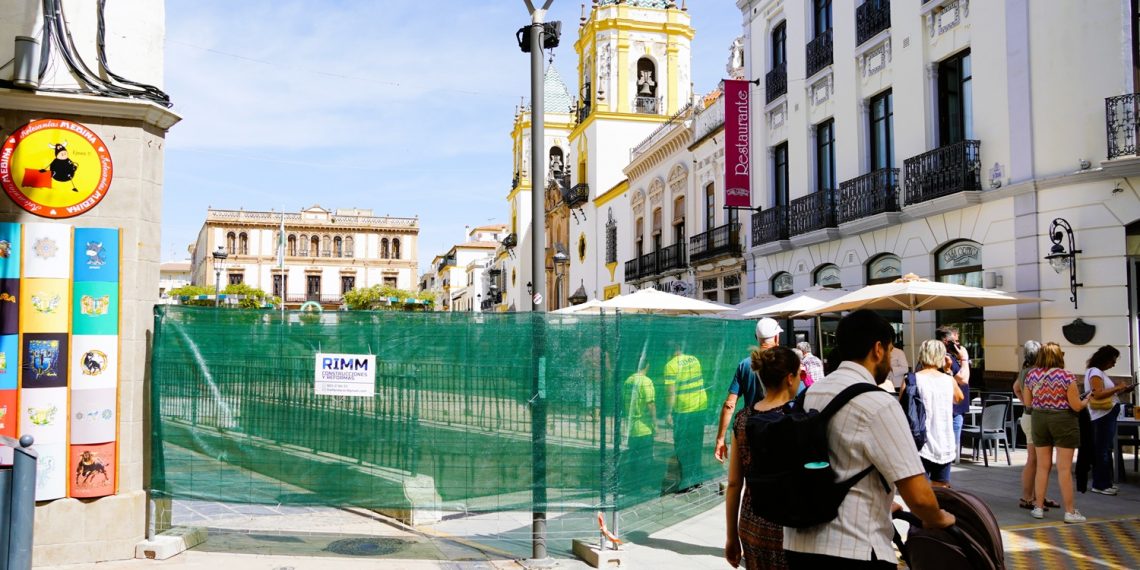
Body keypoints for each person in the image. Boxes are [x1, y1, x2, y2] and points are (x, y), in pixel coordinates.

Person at [783, 310, 954, 568]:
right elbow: (918, 495)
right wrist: (938, 518)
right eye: (890, 350)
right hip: (855, 548)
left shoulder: (810, 394)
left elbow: (839, 462)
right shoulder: (878, 403)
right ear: (878, 349)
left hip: (798, 546)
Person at [725, 346, 802, 569]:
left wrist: (732, 536)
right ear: (789, 378)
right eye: (799, 375)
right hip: (790, 526)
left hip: (751, 524)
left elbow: (733, 484)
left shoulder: (742, 419)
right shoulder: (798, 417)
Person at [1022, 342, 1091, 522]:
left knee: (1043, 467)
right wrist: (1087, 400)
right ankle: (1069, 511)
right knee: (1064, 469)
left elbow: (1028, 403)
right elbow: (1076, 406)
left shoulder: (1031, 375)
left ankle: (1038, 507)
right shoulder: (1066, 376)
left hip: (1039, 419)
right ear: (1059, 356)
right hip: (1063, 420)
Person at [715, 318, 782, 462]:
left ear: (757, 338)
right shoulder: (785, 362)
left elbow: (729, 405)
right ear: (776, 337)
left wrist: (720, 439)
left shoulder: (744, 365)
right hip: (778, 430)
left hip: (750, 430)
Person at [901, 340, 963, 487]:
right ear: (941, 356)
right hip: (944, 443)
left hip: (918, 443)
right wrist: (948, 371)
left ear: (922, 355)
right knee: (941, 491)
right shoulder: (949, 380)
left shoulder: (911, 379)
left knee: (920, 492)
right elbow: (959, 398)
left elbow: (902, 408)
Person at [1012, 341, 1060, 511]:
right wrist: (1029, 403)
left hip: (1029, 415)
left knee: (1040, 460)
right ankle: (1027, 497)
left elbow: (1016, 388)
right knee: (1035, 459)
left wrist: (1025, 402)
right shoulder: (1037, 372)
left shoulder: (1025, 370)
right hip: (1035, 417)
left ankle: (1037, 495)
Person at [1084, 345, 1129, 495]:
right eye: (1112, 361)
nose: (1114, 364)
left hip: (1106, 415)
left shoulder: (1098, 372)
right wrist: (1117, 388)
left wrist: (1121, 390)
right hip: (1102, 415)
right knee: (1102, 450)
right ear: (1105, 359)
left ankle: (1105, 482)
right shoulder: (1095, 372)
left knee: (1105, 449)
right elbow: (1097, 393)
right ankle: (1100, 484)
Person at [664, 344, 708, 492]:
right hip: (700, 406)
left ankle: (686, 483)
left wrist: (668, 413)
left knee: (683, 447)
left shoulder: (670, 366)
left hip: (683, 411)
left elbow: (671, 393)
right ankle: (697, 479)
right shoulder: (694, 360)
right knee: (696, 444)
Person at [621, 358, 657, 495]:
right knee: (645, 458)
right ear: (647, 365)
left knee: (633, 457)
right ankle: (642, 487)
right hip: (644, 427)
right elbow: (650, 404)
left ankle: (633, 486)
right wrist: (654, 422)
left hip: (631, 427)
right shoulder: (646, 381)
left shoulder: (628, 381)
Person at [935, 326, 970, 459]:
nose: (958, 345)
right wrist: (965, 359)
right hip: (952, 408)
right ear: (946, 342)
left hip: (954, 407)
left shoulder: (949, 358)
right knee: (951, 446)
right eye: (955, 342)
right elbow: (964, 379)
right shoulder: (945, 359)